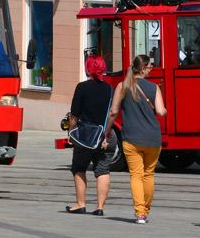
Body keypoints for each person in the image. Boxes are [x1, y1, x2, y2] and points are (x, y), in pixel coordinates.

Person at [104, 54, 167, 224]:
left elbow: (113, 111)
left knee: (136, 175)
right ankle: (145, 211)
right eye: (150, 67)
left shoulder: (123, 86)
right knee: (148, 175)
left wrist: (107, 130)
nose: (151, 69)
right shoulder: (154, 87)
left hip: (131, 138)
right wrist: (165, 110)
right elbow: (161, 112)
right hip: (153, 138)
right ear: (144, 68)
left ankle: (140, 213)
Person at [66, 55, 114, 215]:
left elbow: (74, 115)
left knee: (79, 167)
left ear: (88, 69)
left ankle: (80, 204)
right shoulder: (109, 89)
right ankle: (100, 207)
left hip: (86, 137)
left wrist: (70, 133)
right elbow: (112, 112)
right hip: (104, 136)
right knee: (103, 170)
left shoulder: (82, 88)